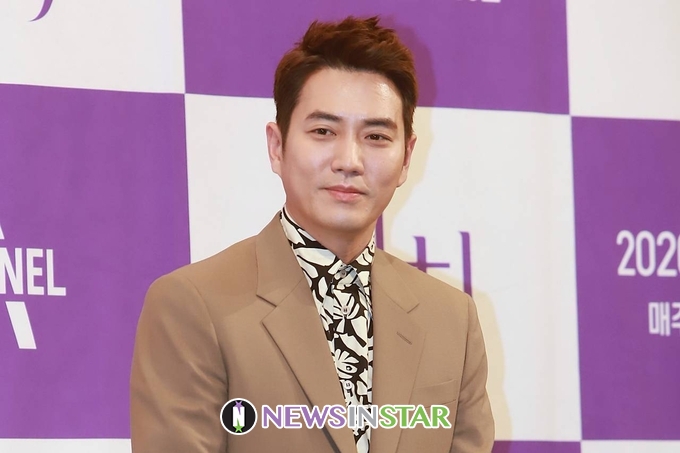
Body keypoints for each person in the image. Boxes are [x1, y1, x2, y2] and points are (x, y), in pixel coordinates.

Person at [130, 15, 494, 453]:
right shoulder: (192, 306)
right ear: (277, 145)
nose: (349, 160)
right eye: (324, 131)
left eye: (376, 136)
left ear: (406, 157)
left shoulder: (452, 319)